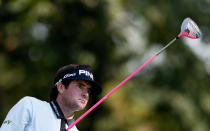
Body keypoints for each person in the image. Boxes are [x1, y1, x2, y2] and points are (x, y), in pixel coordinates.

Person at [0, 64, 102, 131]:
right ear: (61, 87)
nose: (86, 94)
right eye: (80, 86)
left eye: (88, 90)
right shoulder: (30, 106)